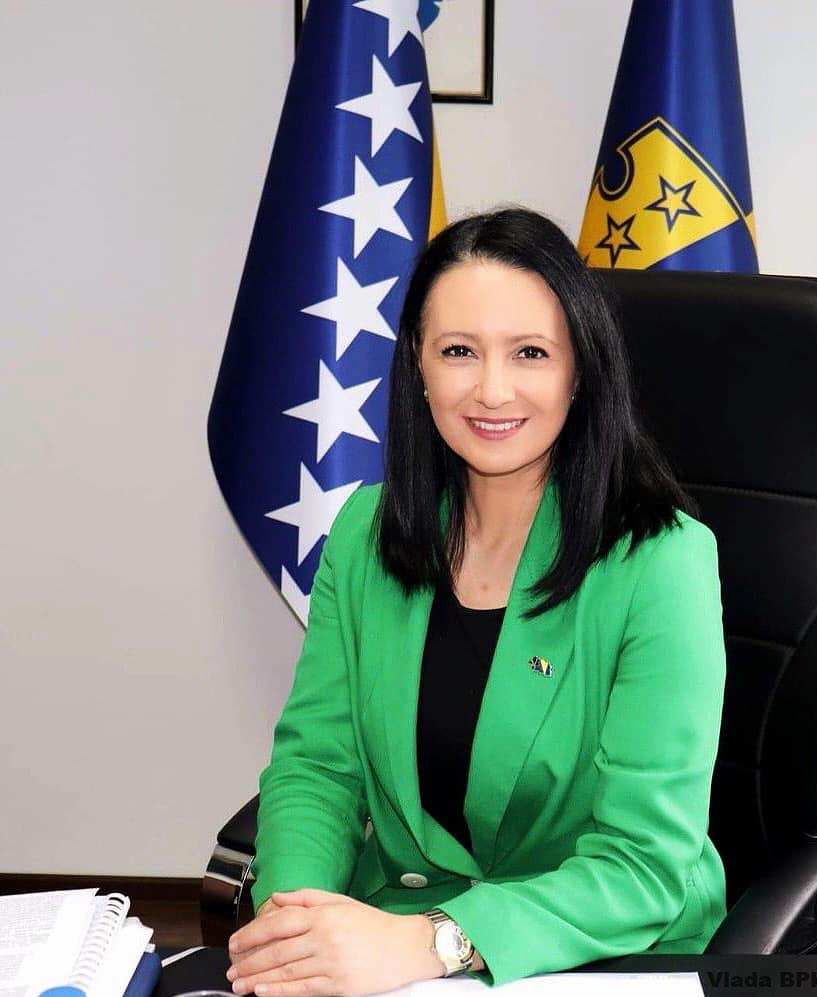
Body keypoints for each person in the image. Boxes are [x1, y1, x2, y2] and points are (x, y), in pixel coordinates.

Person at [226, 208, 727, 995]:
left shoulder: (662, 561)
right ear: (418, 366)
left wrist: (438, 939)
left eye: (531, 352)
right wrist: (295, 926)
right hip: (396, 950)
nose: (493, 389)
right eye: (459, 350)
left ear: (579, 369)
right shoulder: (365, 533)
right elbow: (319, 767)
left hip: (606, 954)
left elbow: (643, 864)